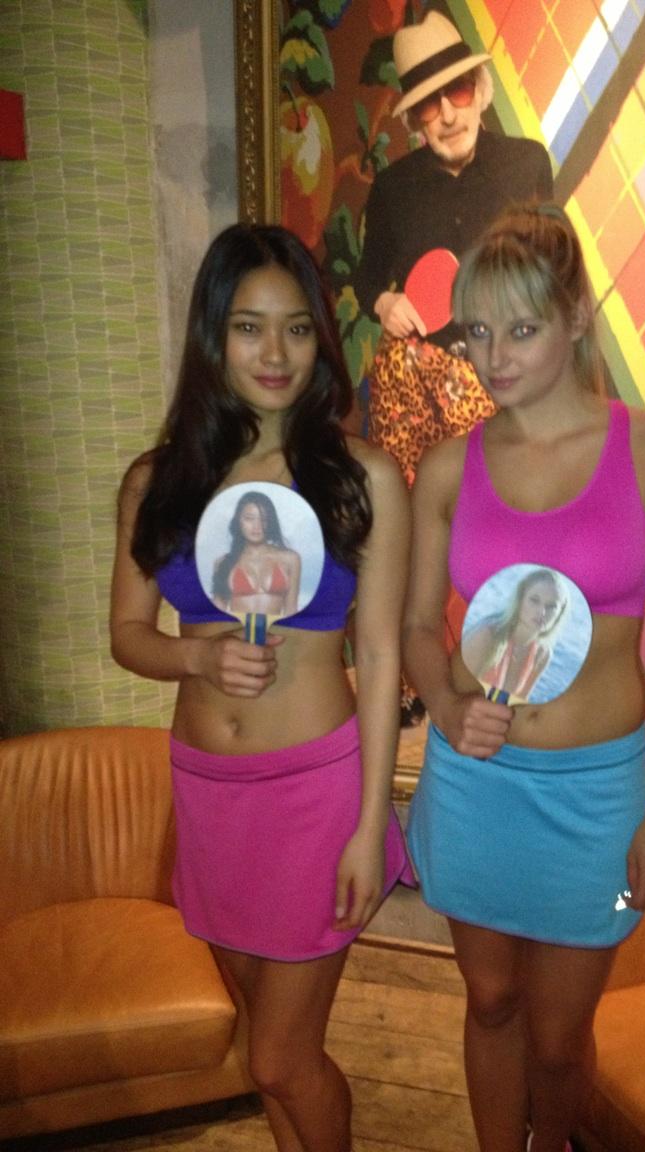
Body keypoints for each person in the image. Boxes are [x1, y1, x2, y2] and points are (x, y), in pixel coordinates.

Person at [403, 203, 645, 1152]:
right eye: (477, 331)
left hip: (602, 795)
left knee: (559, 1032)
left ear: (576, 318)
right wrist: (445, 705)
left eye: (521, 329)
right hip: (474, 783)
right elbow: (414, 627)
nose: (494, 357)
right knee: (491, 1000)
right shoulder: (448, 467)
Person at [110, 223, 413, 1152]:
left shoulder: (362, 478)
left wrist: (370, 824)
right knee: (263, 1051)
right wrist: (196, 659)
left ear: (321, 338)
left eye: (296, 328)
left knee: (282, 1057)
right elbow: (127, 636)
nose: (275, 352)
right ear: (214, 335)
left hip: (315, 795)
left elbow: (382, 660)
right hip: (209, 793)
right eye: (249, 327)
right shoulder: (157, 482)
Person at [355, 9, 554, 722]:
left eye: (458, 92)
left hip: (505, 379)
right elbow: (368, 276)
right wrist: (386, 302)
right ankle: (412, 681)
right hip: (420, 376)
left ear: (480, 89)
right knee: (406, 524)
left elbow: (551, 270)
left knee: (505, 522)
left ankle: (512, 669)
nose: (447, 114)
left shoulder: (527, 162)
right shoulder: (393, 189)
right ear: (414, 118)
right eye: (428, 104)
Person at [461, 566, 568, 702]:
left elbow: (518, 703)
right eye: (534, 600)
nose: (542, 612)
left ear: (560, 613)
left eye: (551, 606)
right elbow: (455, 691)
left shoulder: (542, 654)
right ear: (520, 598)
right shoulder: (486, 636)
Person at [212, 489, 302, 618]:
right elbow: (218, 612)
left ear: (271, 522)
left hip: (276, 628)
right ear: (238, 521)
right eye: (249, 519)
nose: (257, 526)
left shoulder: (291, 559)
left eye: (263, 519)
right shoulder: (224, 562)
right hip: (237, 627)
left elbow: (291, 610)